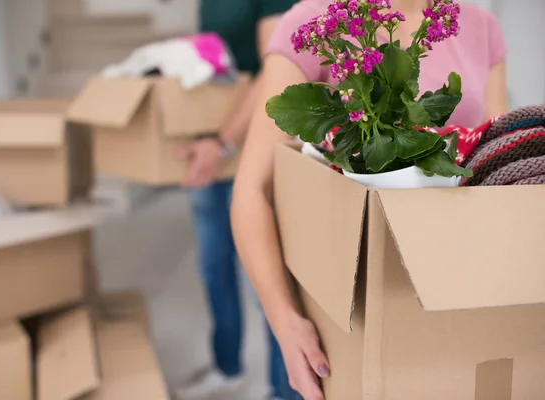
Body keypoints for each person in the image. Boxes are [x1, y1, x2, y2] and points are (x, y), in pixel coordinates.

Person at [231, 1, 508, 399]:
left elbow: (492, 156)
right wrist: (285, 321)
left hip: (452, 281)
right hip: (339, 300)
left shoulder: (479, 24)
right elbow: (252, 190)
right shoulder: (316, 20)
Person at [176, 1, 301, 399]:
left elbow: (275, 70)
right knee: (214, 267)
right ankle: (227, 367)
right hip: (209, 144)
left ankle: (282, 391)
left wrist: (223, 142)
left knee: (263, 279)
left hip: (248, 145)